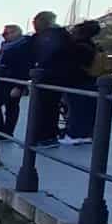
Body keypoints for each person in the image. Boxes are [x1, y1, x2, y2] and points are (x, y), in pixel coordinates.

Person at [28, 11, 73, 147]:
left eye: (36, 22)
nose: (34, 25)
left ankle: (48, 136)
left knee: (49, 107)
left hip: (53, 77)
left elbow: (56, 55)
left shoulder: (59, 36)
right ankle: (38, 135)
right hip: (41, 77)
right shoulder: (40, 37)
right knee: (40, 107)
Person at [62, 20, 105, 144]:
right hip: (90, 81)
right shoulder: (92, 45)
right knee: (86, 109)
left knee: (77, 109)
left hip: (78, 81)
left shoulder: (78, 47)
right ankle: (86, 134)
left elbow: (73, 65)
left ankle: (76, 135)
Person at [0, 23, 32, 135]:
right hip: (0, 80)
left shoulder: (23, 47)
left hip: (13, 80)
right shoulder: (5, 45)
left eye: (6, 33)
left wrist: (19, 86)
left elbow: (25, 67)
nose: (3, 35)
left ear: (16, 33)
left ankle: (7, 132)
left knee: (11, 107)